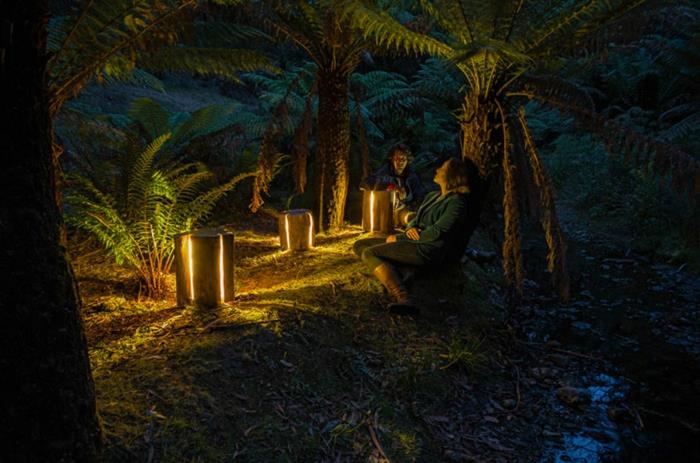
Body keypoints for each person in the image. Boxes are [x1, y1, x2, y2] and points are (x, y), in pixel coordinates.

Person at [353, 157, 474, 314]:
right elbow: (415, 220)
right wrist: (410, 229)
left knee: (370, 252)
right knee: (360, 245)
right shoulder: (433, 196)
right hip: (412, 242)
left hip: (426, 249)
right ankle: (403, 271)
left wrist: (401, 238)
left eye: (442, 169)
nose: (437, 170)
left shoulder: (456, 203)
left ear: (453, 176)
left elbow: (437, 232)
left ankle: (404, 298)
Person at [360, 144, 425, 224]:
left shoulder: (412, 177)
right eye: (397, 158)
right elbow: (366, 183)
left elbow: (420, 196)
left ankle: (410, 220)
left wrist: (407, 195)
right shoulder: (385, 172)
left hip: (405, 210)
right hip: (385, 211)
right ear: (392, 159)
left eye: (403, 159)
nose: (400, 162)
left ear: (407, 160)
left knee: (409, 216)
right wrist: (391, 186)